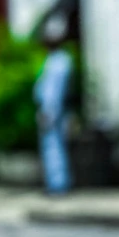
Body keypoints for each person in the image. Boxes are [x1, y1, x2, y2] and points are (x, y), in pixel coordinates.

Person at [35, 14, 76, 196]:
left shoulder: (59, 62)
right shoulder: (57, 60)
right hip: (53, 110)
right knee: (54, 147)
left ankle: (58, 185)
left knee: (54, 148)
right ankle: (56, 183)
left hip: (53, 111)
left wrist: (49, 112)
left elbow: (54, 92)